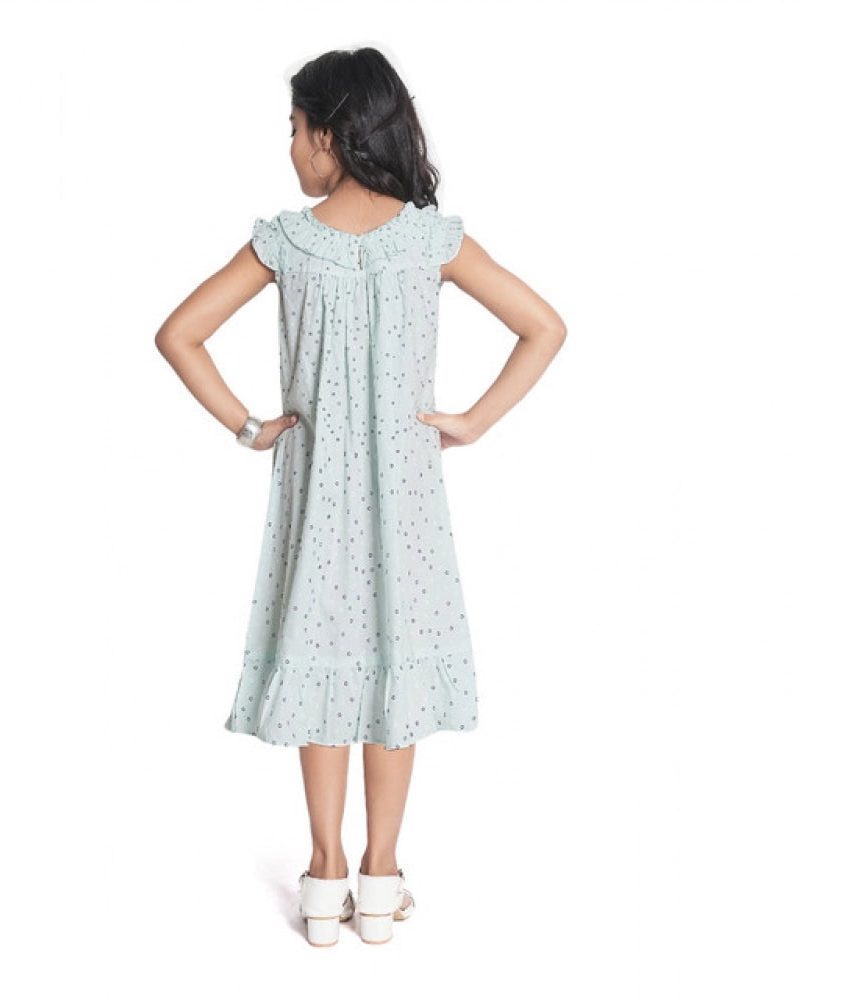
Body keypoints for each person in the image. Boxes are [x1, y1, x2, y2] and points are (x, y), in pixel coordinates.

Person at [154, 47, 566, 946]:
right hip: (407, 498)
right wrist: (472, 421)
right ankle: (381, 879)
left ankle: (323, 875)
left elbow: (179, 333)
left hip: (315, 495)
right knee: (393, 664)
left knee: (322, 661)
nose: (290, 146)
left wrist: (251, 428)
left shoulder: (287, 241)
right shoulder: (432, 239)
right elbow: (544, 326)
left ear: (330, 136)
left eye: (294, 128)